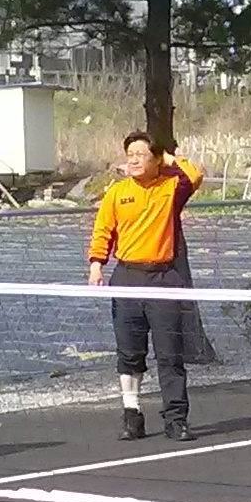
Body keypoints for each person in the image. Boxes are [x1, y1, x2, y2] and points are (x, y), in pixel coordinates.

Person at [88, 131, 202, 442]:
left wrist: (166, 156)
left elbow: (194, 174)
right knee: (129, 352)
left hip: (163, 278)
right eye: (130, 155)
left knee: (169, 354)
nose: (134, 160)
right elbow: (103, 230)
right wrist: (97, 264)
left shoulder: (171, 187)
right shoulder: (117, 192)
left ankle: (176, 419)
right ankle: (132, 415)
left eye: (141, 154)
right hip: (127, 277)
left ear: (156, 159)